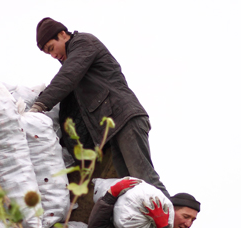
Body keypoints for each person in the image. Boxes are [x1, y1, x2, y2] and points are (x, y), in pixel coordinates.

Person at [30, 18, 169, 198]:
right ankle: (161, 223)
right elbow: (70, 107)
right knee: (134, 189)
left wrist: (40, 105)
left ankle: (178, 222)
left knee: (145, 180)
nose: (53, 56)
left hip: (125, 118)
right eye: (48, 54)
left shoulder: (84, 43)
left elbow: (67, 76)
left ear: (63, 35)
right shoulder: (74, 62)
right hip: (114, 129)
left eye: (51, 48)